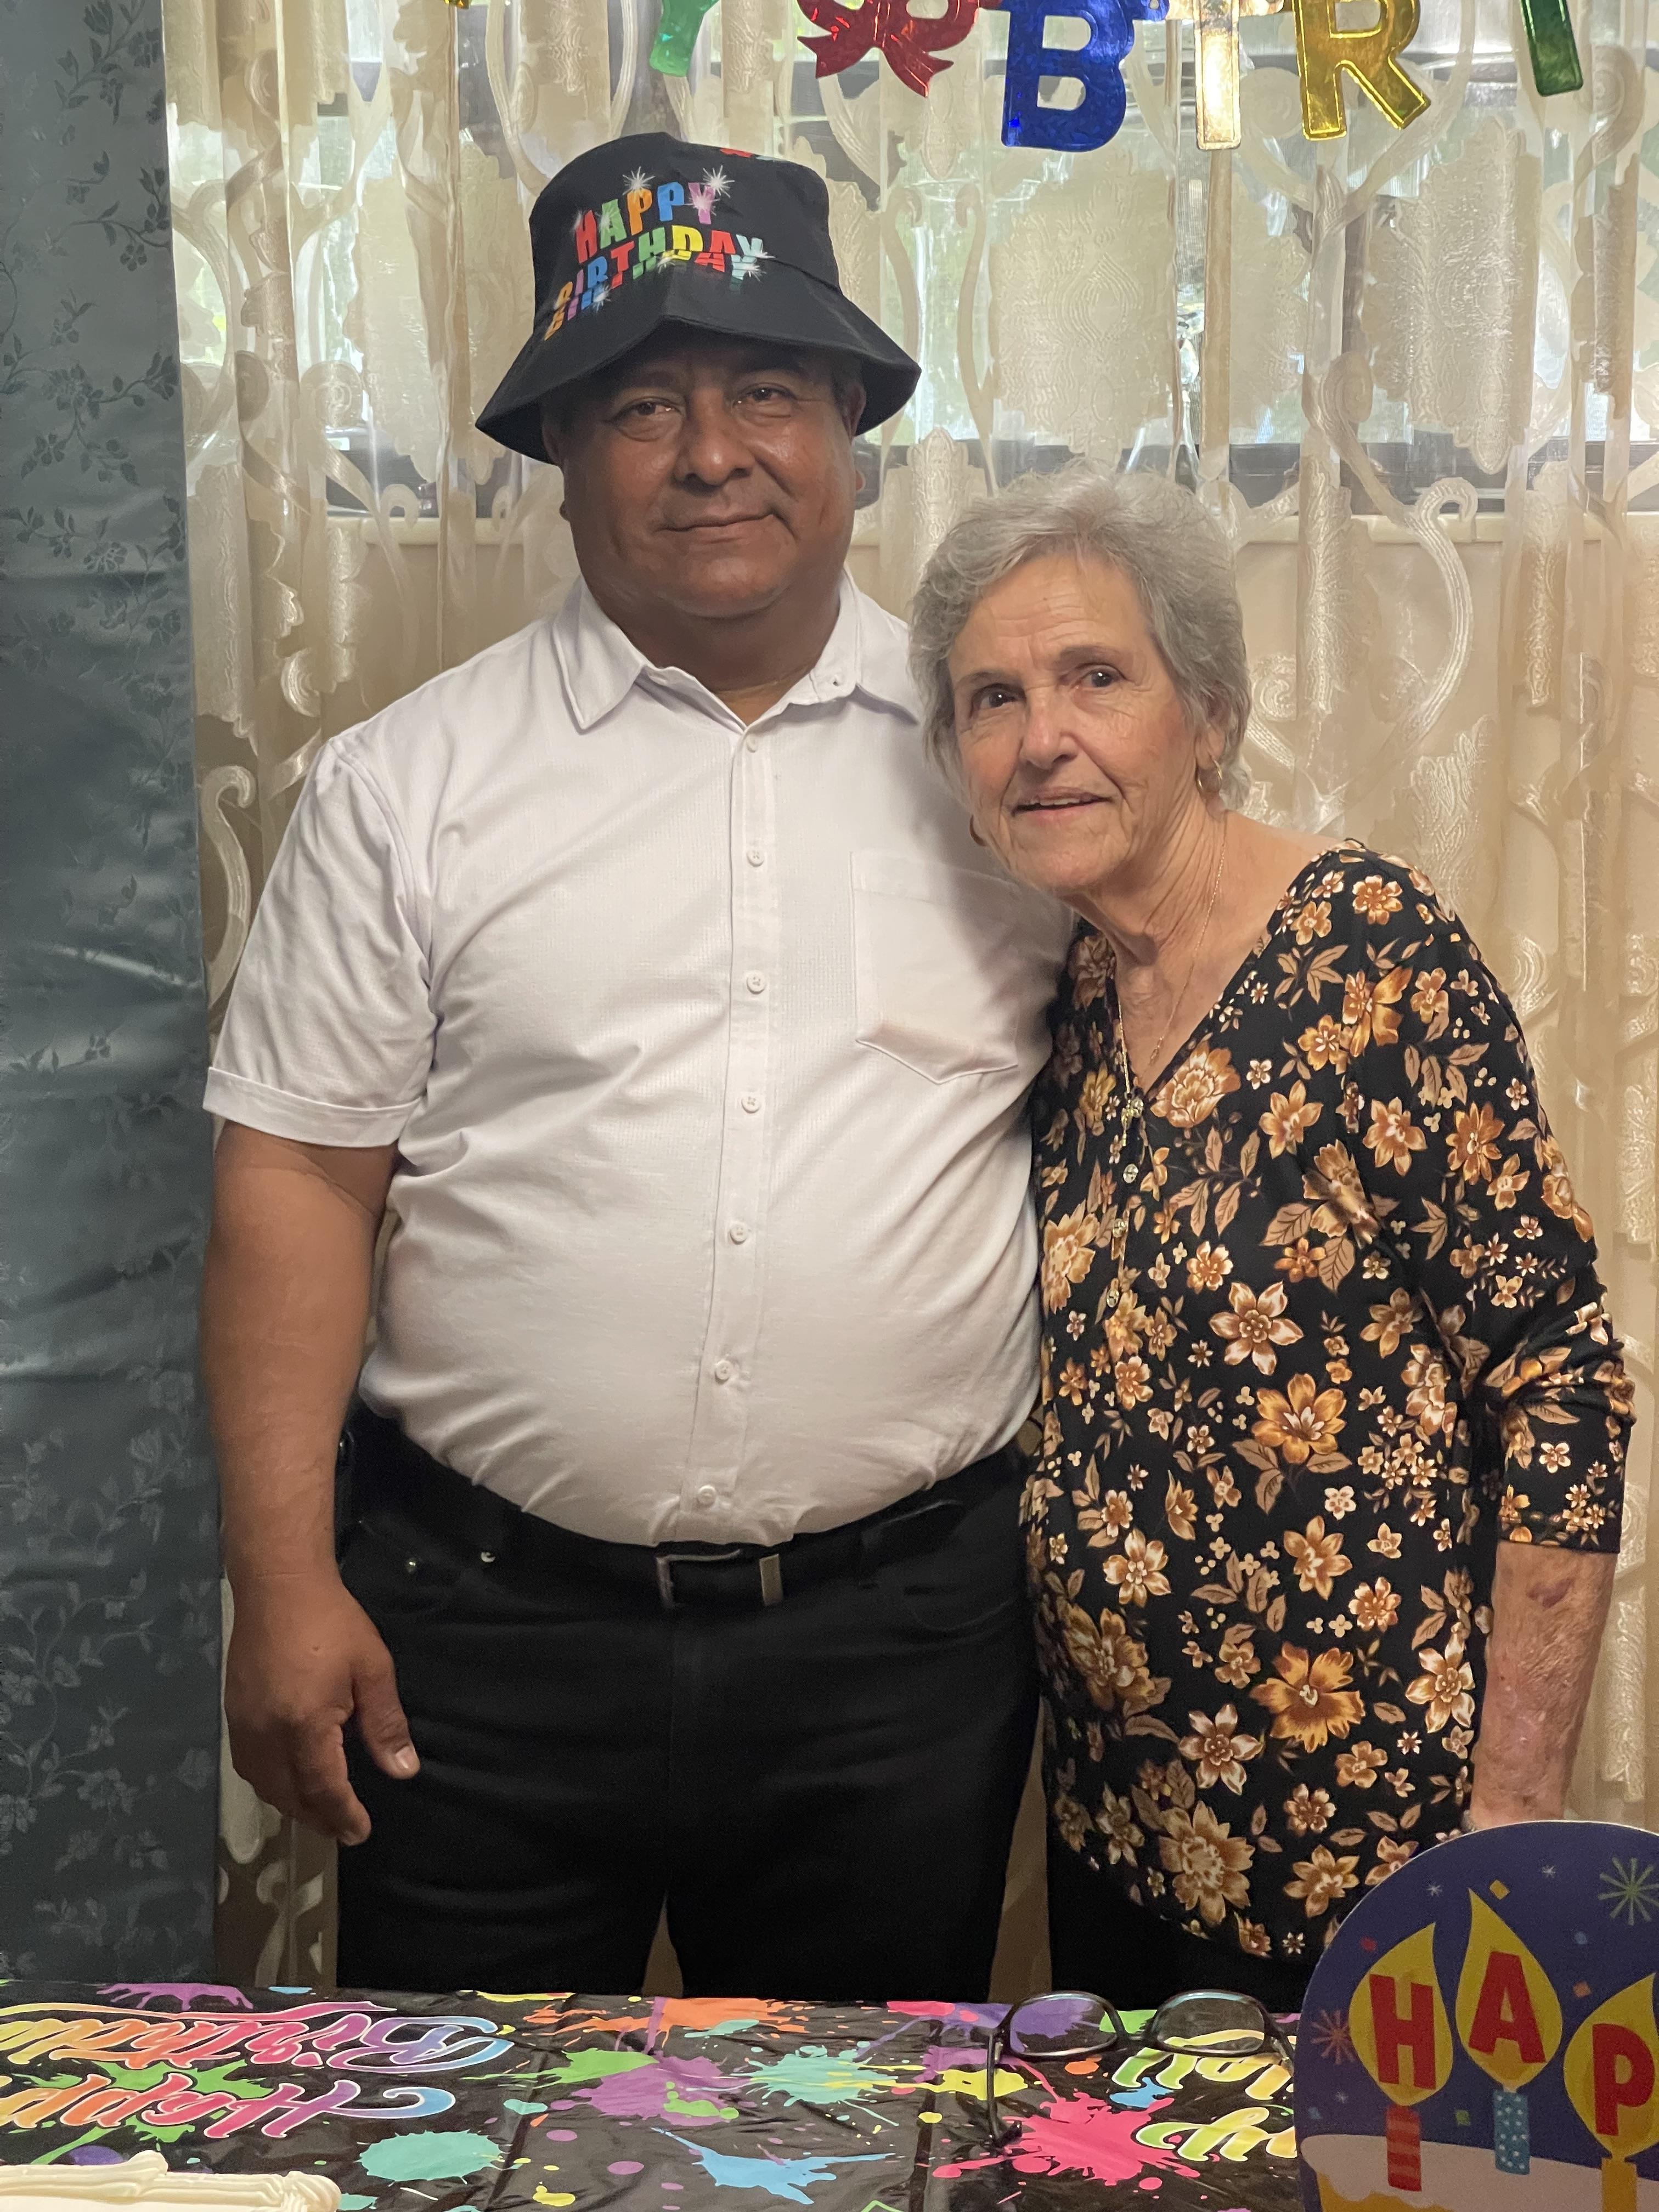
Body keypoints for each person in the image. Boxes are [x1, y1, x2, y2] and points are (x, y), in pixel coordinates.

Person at [201, 134, 1073, 2001]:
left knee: (860, 2158)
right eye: (643, 405)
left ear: (846, 423)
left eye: (766, 388)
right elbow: (296, 1179)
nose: (711, 453)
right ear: (565, 454)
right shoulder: (406, 787)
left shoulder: (1000, 762)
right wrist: (283, 1584)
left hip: (900, 1653)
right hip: (481, 1652)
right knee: (442, 2152)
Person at [909, 466, 1633, 2011]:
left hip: (1368, 1846)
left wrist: (1508, 1820)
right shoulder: (1077, 992)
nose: (1042, 737)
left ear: (1212, 712)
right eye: (992, 698)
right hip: (1121, 1823)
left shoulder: (1370, 951)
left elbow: (1563, 1380)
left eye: (1095, 677)